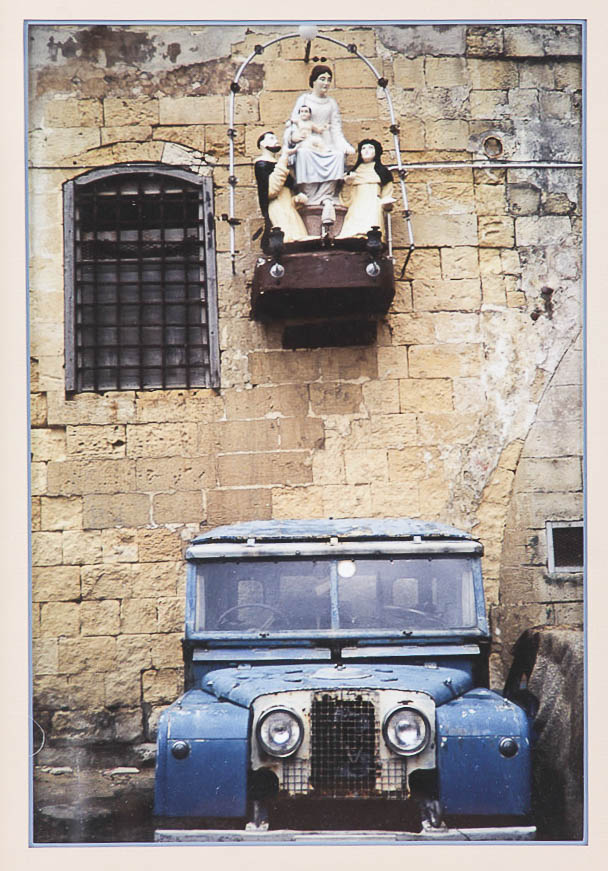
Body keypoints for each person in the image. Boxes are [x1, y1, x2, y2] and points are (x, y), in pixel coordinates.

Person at [286, 65, 355, 228]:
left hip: (327, 142)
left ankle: (327, 195)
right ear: (314, 81)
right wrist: (293, 136)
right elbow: (293, 122)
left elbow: (336, 128)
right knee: (303, 154)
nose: (326, 83)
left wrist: (343, 146)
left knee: (337, 156)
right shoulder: (304, 100)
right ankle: (309, 195)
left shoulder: (331, 103)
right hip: (307, 140)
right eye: (322, 79)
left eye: (329, 80)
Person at [254, 131, 309, 249]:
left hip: (289, 209)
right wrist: (284, 157)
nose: (276, 140)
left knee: (298, 237)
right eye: (271, 138)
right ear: (262, 144)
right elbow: (271, 191)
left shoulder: (278, 164)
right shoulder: (261, 164)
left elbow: (286, 193)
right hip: (277, 210)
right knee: (286, 239)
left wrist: (296, 199)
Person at [338, 139, 395, 240]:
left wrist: (386, 203)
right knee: (351, 233)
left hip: (373, 205)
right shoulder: (353, 173)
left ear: (376, 151)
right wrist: (348, 183)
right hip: (357, 205)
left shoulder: (382, 172)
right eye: (363, 148)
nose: (366, 151)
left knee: (372, 231)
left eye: (370, 148)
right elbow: (345, 200)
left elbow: (387, 193)